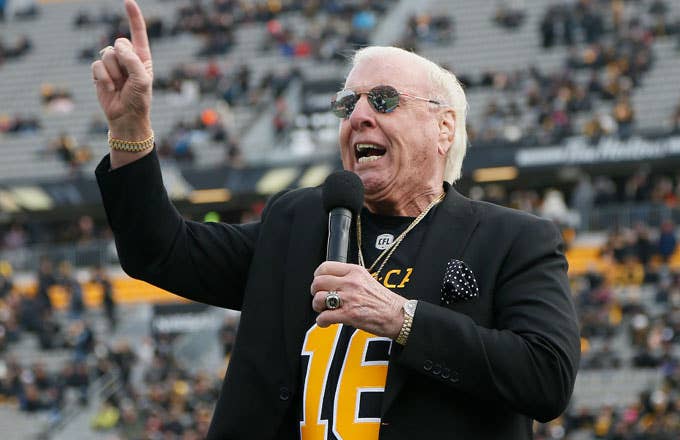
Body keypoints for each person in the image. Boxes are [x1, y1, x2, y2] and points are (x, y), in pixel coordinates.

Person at [92, 1, 580, 438]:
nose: (359, 116)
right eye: (348, 104)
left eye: (384, 100)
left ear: (443, 126)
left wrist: (400, 319)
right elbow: (161, 252)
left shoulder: (512, 240)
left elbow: (546, 378)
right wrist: (130, 131)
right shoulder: (298, 221)